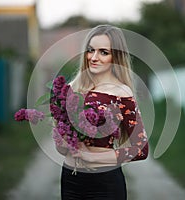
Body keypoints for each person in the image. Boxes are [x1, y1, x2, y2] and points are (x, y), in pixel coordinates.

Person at [55, 24, 149, 200]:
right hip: (70, 179)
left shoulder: (122, 93)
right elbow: (61, 148)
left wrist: (89, 158)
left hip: (105, 183)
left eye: (103, 52)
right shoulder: (72, 89)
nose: (94, 57)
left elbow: (141, 150)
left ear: (116, 57)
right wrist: (64, 143)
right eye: (91, 50)